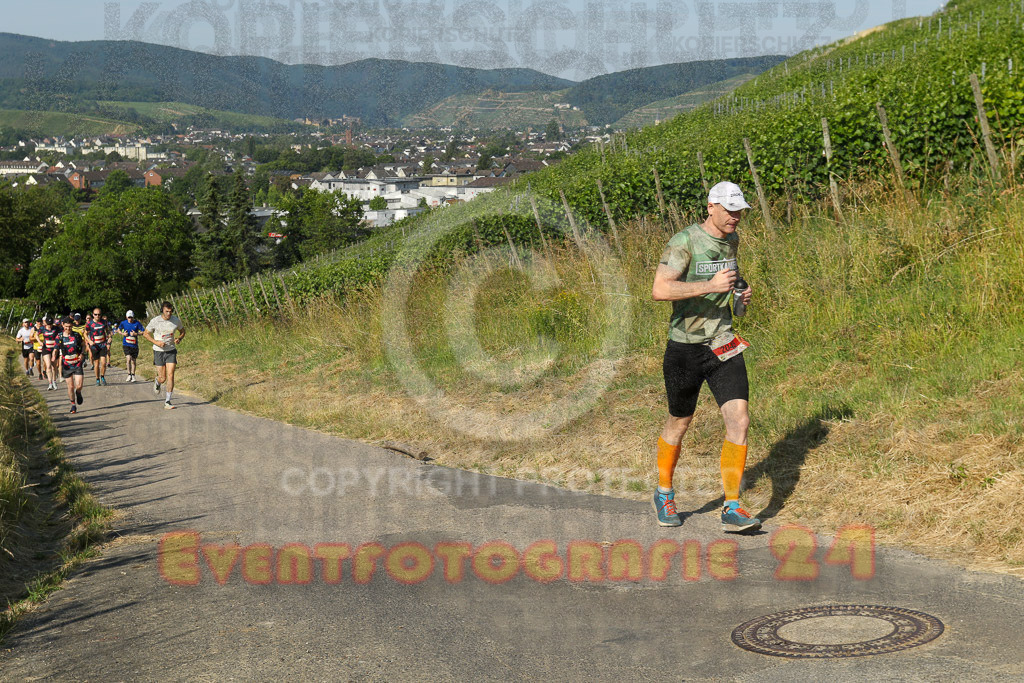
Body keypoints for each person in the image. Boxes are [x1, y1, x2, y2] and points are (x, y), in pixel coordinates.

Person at [650, 181, 759, 532]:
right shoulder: (684, 242)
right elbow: (660, 289)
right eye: (729, 210)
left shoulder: (732, 239)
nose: (736, 218)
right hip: (684, 347)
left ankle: (732, 506)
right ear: (711, 206)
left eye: (739, 211)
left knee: (739, 420)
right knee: (679, 422)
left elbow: (730, 279)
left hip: (723, 342)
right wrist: (710, 286)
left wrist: (738, 298)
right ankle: (664, 492)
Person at [143, 301, 185, 410]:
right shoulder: (155, 321)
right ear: (162, 310)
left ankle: (167, 401)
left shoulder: (175, 320)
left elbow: (182, 331)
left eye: (170, 312)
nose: (169, 314)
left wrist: (179, 338)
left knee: (171, 375)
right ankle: (157, 381)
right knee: (163, 378)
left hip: (171, 350)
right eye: (167, 311)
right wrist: (156, 342)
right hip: (158, 351)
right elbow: (145, 334)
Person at [54, 316, 86, 414]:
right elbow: (55, 349)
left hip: (77, 363)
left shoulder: (76, 335)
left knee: (79, 385)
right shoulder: (59, 337)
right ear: (63, 325)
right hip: (66, 364)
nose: (68, 329)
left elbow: (83, 345)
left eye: (70, 327)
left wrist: (82, 354)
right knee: (70, 386)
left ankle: (79, 392)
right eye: (66, 326)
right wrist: (53, 357)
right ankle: (73, 405)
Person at [116, 310, 145, 382]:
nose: (130, 319)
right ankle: (129, 374)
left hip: (134, 345)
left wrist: (136, 334)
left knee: (133, 360)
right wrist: (123, 334)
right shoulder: (123, 323)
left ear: (133, 317)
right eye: (129, 317)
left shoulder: (137, 323)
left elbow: (143, 331)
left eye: (131, 317)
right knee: (128, 358)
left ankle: (133, 375)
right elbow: (118, 330)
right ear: (126, 317)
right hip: (126, 344)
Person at [86, 308, 110, 386]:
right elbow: (85, 334)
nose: (97, 316)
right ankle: (97, 379)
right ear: (93, 315)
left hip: (102, 344)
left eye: (99, 314)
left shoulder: (104, 322)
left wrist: (109, 337)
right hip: (94, 346)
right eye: (95, 314)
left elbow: (108, 331)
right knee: (96, 363)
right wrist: (89, 341)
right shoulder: (89, 323)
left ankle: (102, 376)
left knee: (103, 363)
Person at [40, 317, 61, 390]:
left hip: (54, 349)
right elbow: (35, 334)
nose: (49, 326)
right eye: (48, 324)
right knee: (48, 365)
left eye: (51, 324)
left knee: (54, 365)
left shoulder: (56, 328)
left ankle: (54, 381)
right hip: (46, 348)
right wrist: (40, 342)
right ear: (45, 323)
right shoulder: (42, 328)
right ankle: (50, 383)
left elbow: (61, 335)